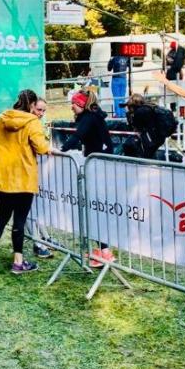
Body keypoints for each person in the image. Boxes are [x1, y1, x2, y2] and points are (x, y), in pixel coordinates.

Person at [0, 90, 50, 274]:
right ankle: (18, 262)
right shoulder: (32, 122)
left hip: (3, 176)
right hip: (24, 178)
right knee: (19, 220)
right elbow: (42, 148)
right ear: (32, 105)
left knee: (2, 217)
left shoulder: (1, 118)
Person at [60, 90, 115, 268]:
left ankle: (105, 251)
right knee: (93, 208)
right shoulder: (92, 117)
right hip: (97, 163)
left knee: (95, 208)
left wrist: (61, 150)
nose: (71, 107)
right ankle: (101, 249)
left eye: (74, 104)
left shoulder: (90, 118)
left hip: (98, 165)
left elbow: (77, 136)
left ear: (82, 104)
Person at [27, 98, 54, 259]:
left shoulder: (36, 122)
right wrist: (47, 148)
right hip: (25, 171)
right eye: (39, 110)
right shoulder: (29, 123)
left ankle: (44, 237)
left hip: (32, 169)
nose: (41, 113)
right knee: (28, 208)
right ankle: (37, 243)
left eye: (44, 110)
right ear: (31, 107)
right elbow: (39, 145)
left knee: (35, 206)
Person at [121, 94, 177, 160]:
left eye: (128, 106)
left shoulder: (139, 112)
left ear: (132, 105)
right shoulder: (149, 107)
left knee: (143, 155)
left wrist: (129, 115)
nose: (127, 108)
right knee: (150, 155)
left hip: (151, 138)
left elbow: (135, 127)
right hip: (158, 137)